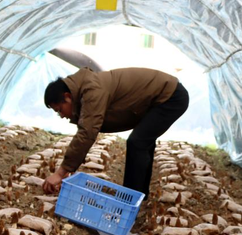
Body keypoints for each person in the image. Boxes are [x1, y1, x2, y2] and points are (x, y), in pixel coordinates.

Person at [42, 67, 189, 197]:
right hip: (162, 97)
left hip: (170, 96)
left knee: (138, 142)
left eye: (59, 110)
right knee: (141, 141)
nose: (61, 115)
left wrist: (60, 173)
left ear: (68, 97)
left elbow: (87, 132)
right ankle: (139, 195)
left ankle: (131, 199)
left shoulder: (92, 90)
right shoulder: (85, 89)